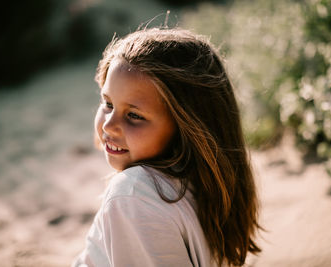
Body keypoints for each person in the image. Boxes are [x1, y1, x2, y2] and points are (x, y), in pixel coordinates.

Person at [72, 27, 261, 267]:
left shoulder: (133, 195)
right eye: (107, 103)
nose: (109, 125)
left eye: (134, 115)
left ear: (187, 125)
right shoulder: (209, 183)